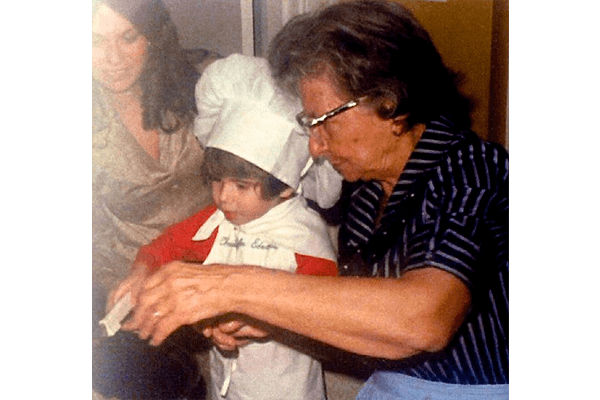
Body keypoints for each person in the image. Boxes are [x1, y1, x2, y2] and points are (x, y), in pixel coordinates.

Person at [123, 2, 510, 399]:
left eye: (323, 120)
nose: (314, 145)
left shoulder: (473, 171)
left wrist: (228, 286)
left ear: (389, 102)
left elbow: (424, 319)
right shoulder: (367, 187)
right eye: (308, 125)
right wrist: (268, 318)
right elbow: (364, 319)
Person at [116, 54, 338, 400]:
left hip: (286, 388)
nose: (223, 198)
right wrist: (143, 271)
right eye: (216, 181)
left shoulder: (304, 237)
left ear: (286, 186)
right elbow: (164, 247)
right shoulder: (215, 222)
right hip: (230, 383)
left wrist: (269, 322)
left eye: (241, 186)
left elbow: (329, 312)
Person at [92, 0, 212, 300]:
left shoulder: (202, 84)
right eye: (96, 41)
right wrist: (115, 294)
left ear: (152, 37)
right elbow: (97, 239)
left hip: (221, 264)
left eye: (128, 37)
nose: (113, 57)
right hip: (140, 287)